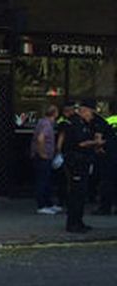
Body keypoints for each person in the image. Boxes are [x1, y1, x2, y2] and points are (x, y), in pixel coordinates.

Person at [63, 100, 106, 233]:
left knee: (81, 194)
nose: (91, 117)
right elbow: (80, 143)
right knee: (76, 194)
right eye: (90, 114)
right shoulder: (77, 123)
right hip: (76, 162)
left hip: (83, 161)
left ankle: (79, 221)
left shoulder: (84, 124)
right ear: (85, 111)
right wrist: (97, 142)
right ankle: (73, 223)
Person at [31, 105, 59, 214]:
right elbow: (40, 138)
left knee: (46, 180)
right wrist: (42, 152)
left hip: (40, 156)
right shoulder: (47, 125)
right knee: (43, 180)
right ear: (55, 113)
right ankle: (42, 205)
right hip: (43, 156)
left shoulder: (41, 122)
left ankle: (48, 203)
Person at [91, 106, 117, 215]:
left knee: (107, 182)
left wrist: (98, 149)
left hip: (109, 156)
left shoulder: (107, 121)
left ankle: (105, 207)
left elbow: (98, 138)